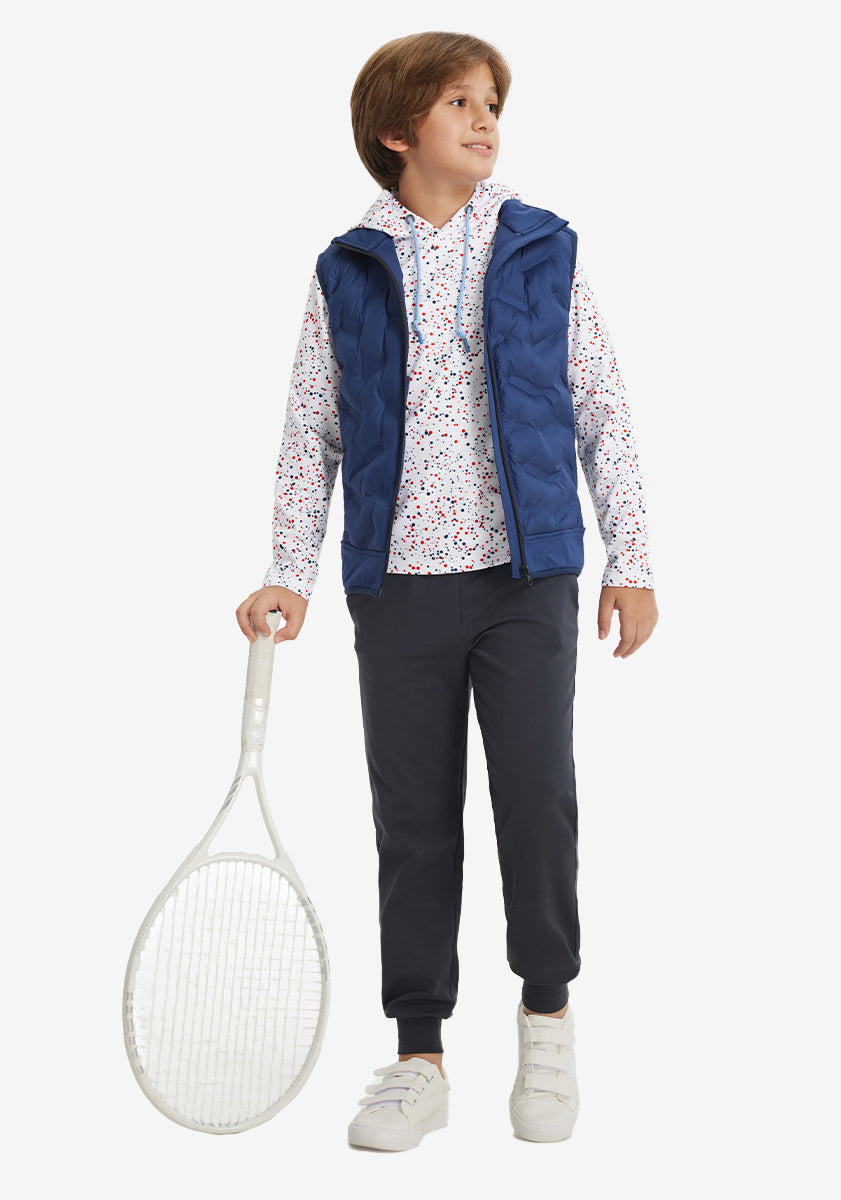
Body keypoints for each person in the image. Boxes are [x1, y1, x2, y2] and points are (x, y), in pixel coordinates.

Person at [236, 30, 659, 1151]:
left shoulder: (540, 246)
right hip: (399, 589)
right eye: (459, 102)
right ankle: (418, 1054)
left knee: (537, 800)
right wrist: (287, 572)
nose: (485, 120)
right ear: (396, 130)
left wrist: (632, 560)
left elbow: (602, 407)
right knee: (414, 823)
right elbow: (312, 431)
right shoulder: (347, 268)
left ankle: (547, 1017)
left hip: (527, 578)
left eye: (492, 103)